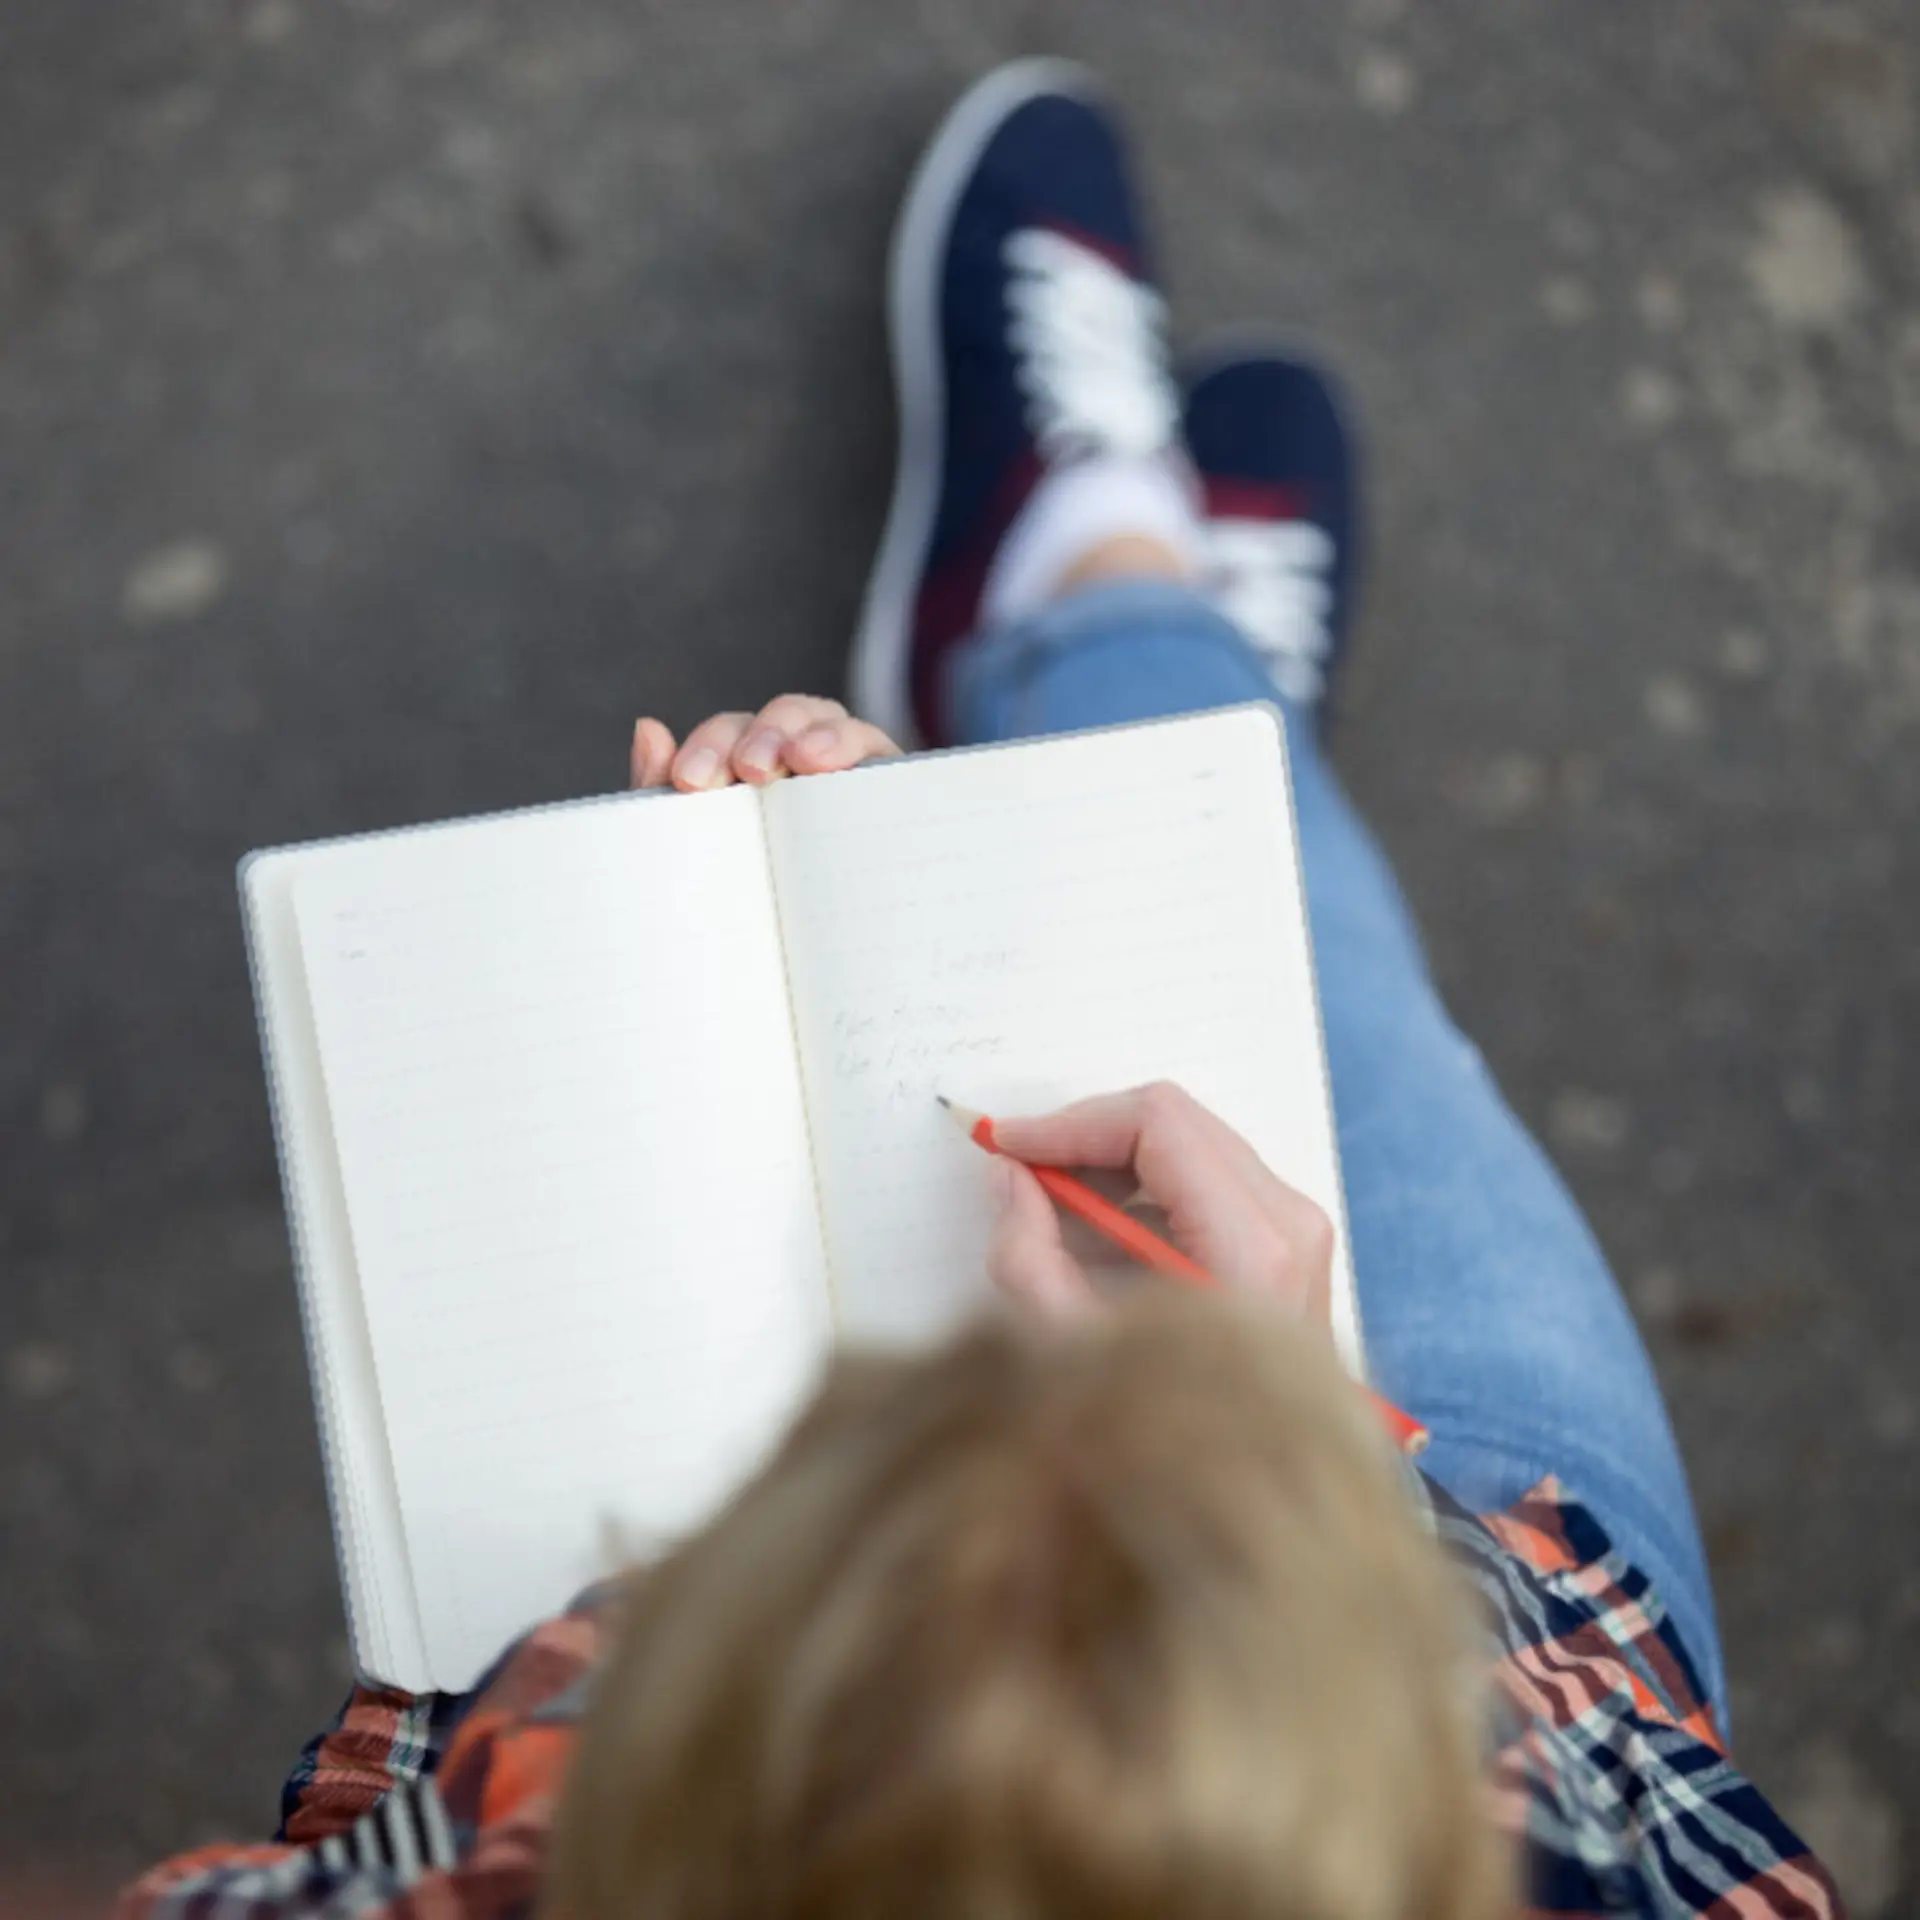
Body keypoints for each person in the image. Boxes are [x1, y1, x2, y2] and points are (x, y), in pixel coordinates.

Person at [121, 60, 1839, 1920]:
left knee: (1276, 939)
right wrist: (1292, 1453)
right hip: (1465, 1615)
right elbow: (1638, 1800)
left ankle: (1101, 601)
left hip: (799, 1596)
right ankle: (1119, 614)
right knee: (1320, 980)